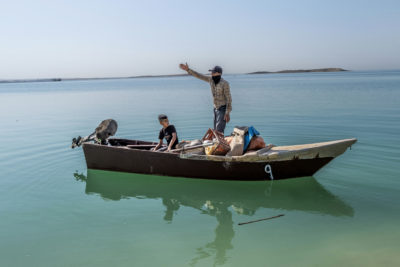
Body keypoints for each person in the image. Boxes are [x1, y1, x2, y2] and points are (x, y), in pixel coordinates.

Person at [179, 63, 232, 134]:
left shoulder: (225, 83)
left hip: (222, 109)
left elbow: (229, 98)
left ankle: (220, 144)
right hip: (215, 108)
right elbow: (199, 75)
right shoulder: (211, 80)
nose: (211, 73)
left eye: (213, 72)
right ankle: (217, 143)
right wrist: (188, 69)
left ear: (218, 73)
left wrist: (227, 113)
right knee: (215, 130)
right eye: (211, 72)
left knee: (219, 130)